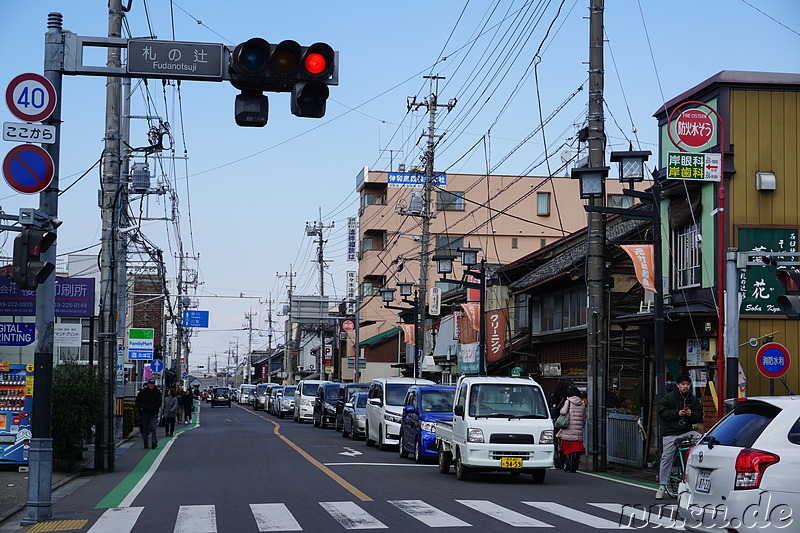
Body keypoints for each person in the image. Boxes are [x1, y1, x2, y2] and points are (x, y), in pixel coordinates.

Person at [655, 374, 703, 499]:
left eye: (687, 384)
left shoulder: (693, 400)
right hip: (671, 433)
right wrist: (677, 413)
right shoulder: (669, 398)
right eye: (683, 384)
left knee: (701, 440)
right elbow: (662, 412)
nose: (685, 386)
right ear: (677, 385)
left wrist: (691, 414)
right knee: (666, 457)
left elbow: (699, 416)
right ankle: (662, 486)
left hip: (687, 431)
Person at [558, 386, 586, 472]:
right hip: (578, 429)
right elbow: (584, 417)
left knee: (567, 448)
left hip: (568, 428)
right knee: (576, 448)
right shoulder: (582, 403)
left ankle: (569, 464)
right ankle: (575, 463)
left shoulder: (568, 402)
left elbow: (562, 412)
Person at [135, 378, 162, 449]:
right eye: (150, 384)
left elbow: (159, 402)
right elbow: (137, 401)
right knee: (145, 428)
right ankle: (145, 444)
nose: (151, 385)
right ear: (148, 384)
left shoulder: (157, 392)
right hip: (145, 411)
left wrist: (154, 407)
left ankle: (154, 442)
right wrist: (141, 407)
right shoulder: (143, 391)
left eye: (152, 384)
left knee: (153, 427)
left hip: (154, 412)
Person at [550, 380, 570, 469]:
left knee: (555, 441)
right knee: (563, 441)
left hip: (555, 421)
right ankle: (563, 460)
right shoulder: (567, 398)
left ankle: (556, 458)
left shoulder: (553, 396)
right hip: (564, 422)